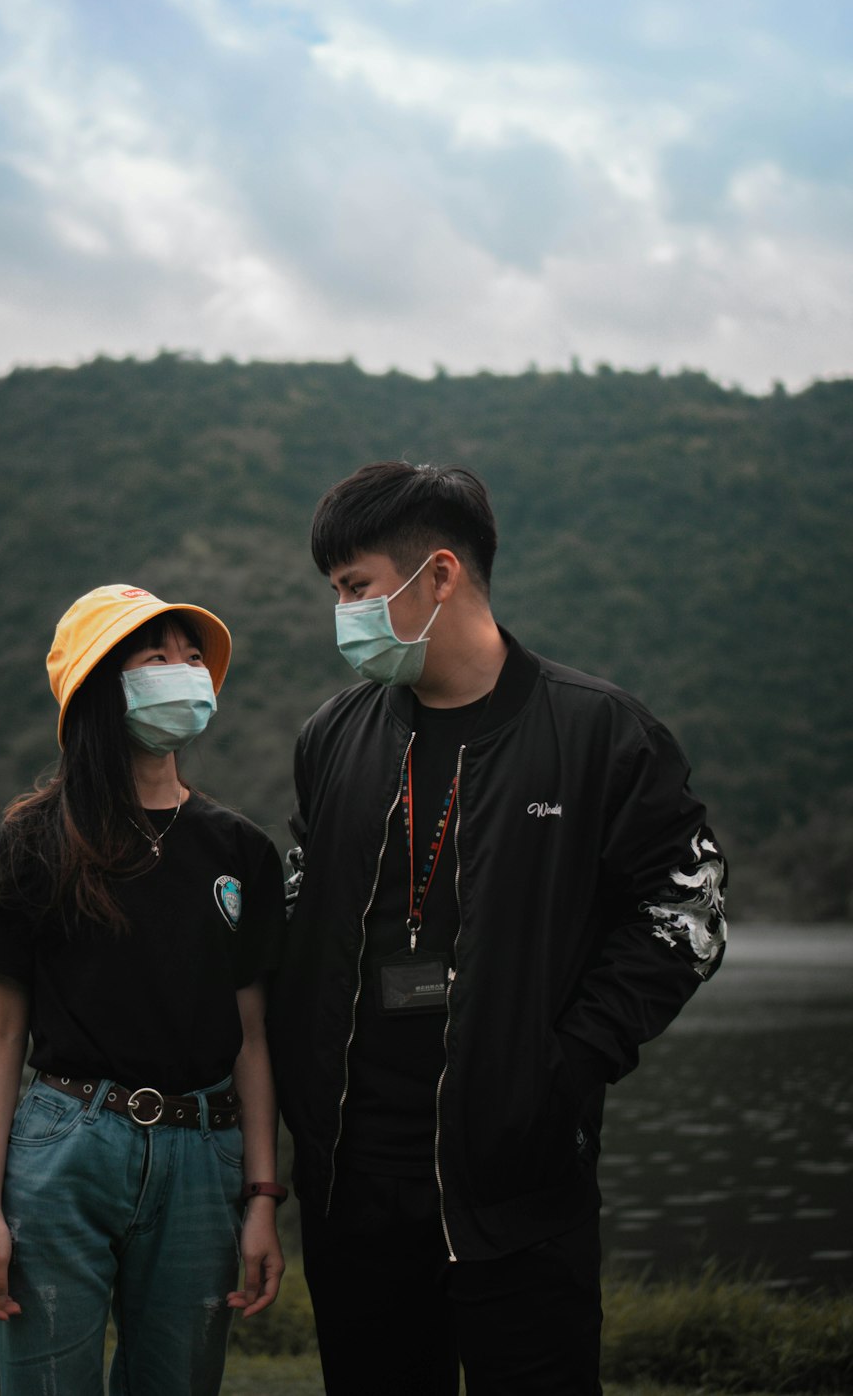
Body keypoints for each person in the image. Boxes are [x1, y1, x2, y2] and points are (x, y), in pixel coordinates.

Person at [269, 462, 727, 1396]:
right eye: (336, 594)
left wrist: (570, 1062)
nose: (344, 613)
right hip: (352, 1183)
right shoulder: (334, 735)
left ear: (438, 575)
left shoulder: (600, 733)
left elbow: (690, 908)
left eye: (356, 588)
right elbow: (301, 897)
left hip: (517, 1183)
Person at [0, 583, 287, 1396]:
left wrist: (260, 1195)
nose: (184, 673)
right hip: (66, 1144)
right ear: (102, 687)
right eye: (156, 658)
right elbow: (1, 1032)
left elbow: (251, 1033)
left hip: (202, 1152)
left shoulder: (240, 849)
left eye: (192, 658)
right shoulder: (36, 840)